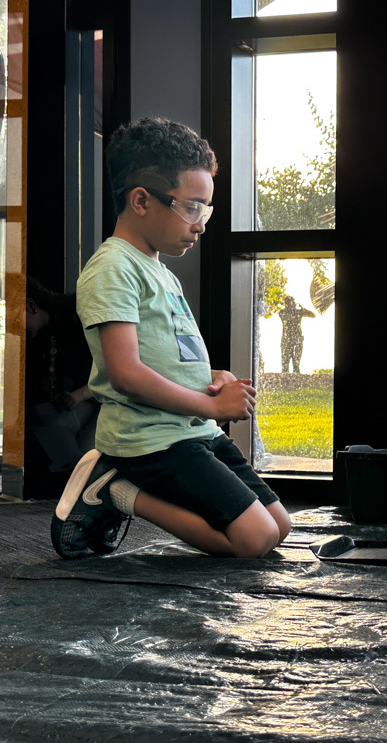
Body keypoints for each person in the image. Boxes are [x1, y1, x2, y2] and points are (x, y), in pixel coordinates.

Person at [51, 117, 292, 560]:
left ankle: (127, 486)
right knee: (254, 540)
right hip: (151, 441)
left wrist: (210, 376)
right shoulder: (112, 269)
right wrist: (214, 406)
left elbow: (165, 353)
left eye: (206, 209)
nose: (201, 224)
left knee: (281, 525)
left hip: (192, 429)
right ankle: (118, 490)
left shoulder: (159, 270)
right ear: (141, 200)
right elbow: (125, 374)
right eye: (192, 207)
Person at [24, 277, 100, 494]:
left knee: (87, 467)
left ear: (31, 306)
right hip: (92, 400)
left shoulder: (81, 317)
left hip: (115, 399)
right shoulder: (48, 333)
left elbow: (116, 372)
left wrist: (79, 394)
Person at [278, 295, 315, 373]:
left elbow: (313, 315)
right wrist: (302, 310)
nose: (291, 303)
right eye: (287, 301)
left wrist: (303, 309)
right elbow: (312, 315)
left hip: (294, 338)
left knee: (295, 362)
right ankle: (288, 377)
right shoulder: (284, 312)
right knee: (286, 362)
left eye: (291, 301)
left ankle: (294, 376)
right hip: (288, 338)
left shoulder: (296, 312)